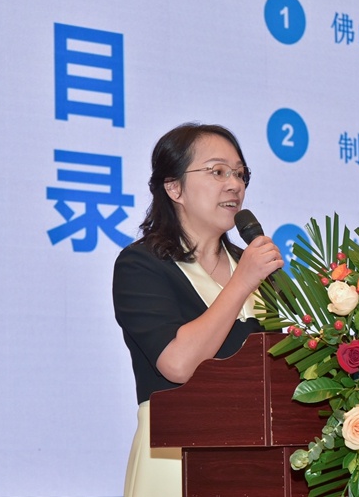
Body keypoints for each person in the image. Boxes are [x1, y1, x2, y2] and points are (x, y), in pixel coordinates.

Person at [112, 123, 284, 497]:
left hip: (259, 461)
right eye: (217, 171)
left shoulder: (258, 269)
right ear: (174, 188)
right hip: (174, 456)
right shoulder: (141, 265)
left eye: (240, 173)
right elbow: (177, 364)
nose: (234, 184)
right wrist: (242, 282)